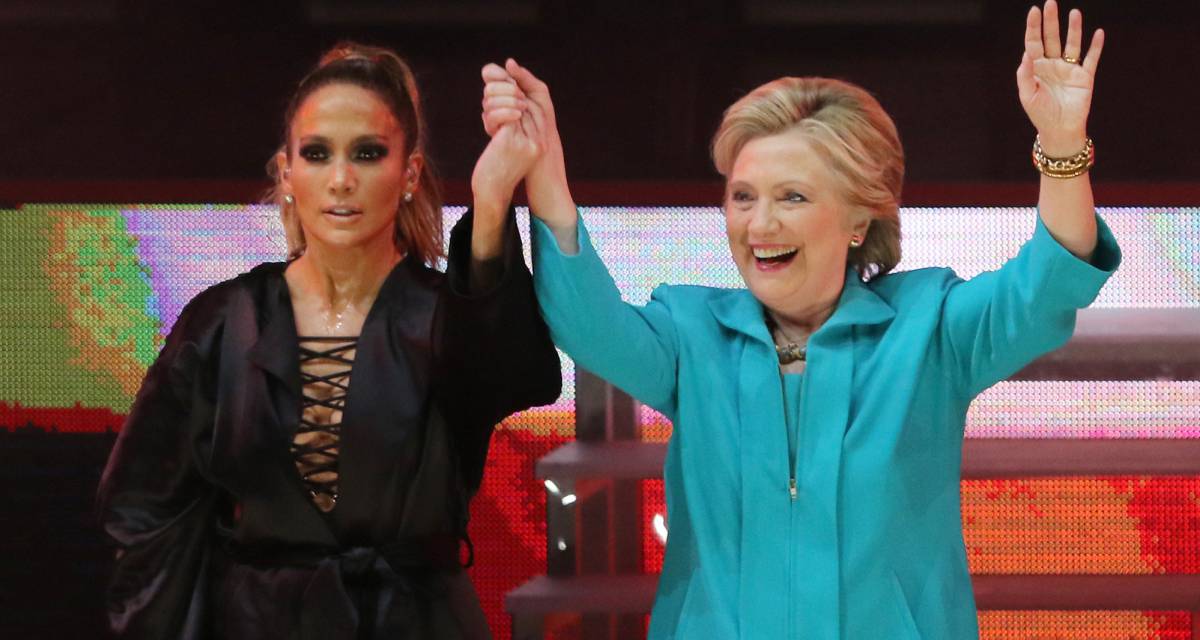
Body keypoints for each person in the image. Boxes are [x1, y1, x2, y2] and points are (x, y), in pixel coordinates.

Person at [477, 2, 1117, 638]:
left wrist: (1061, 146)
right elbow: (588, 324)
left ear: (858, 220)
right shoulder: (692, 334)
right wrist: (547, 171)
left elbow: (1049, 283)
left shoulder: (930, 330)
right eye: (743, 196)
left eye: (793, 197)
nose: (760, 225)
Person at [97, 42, 560, 639]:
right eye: (317, 155)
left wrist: (493, 200)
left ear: (410, 171)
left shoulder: (448, 316)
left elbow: (514, 369)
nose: (341, 180)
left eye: (368, 154)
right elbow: (140, 507)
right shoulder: (222, 323)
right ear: (287, 173)